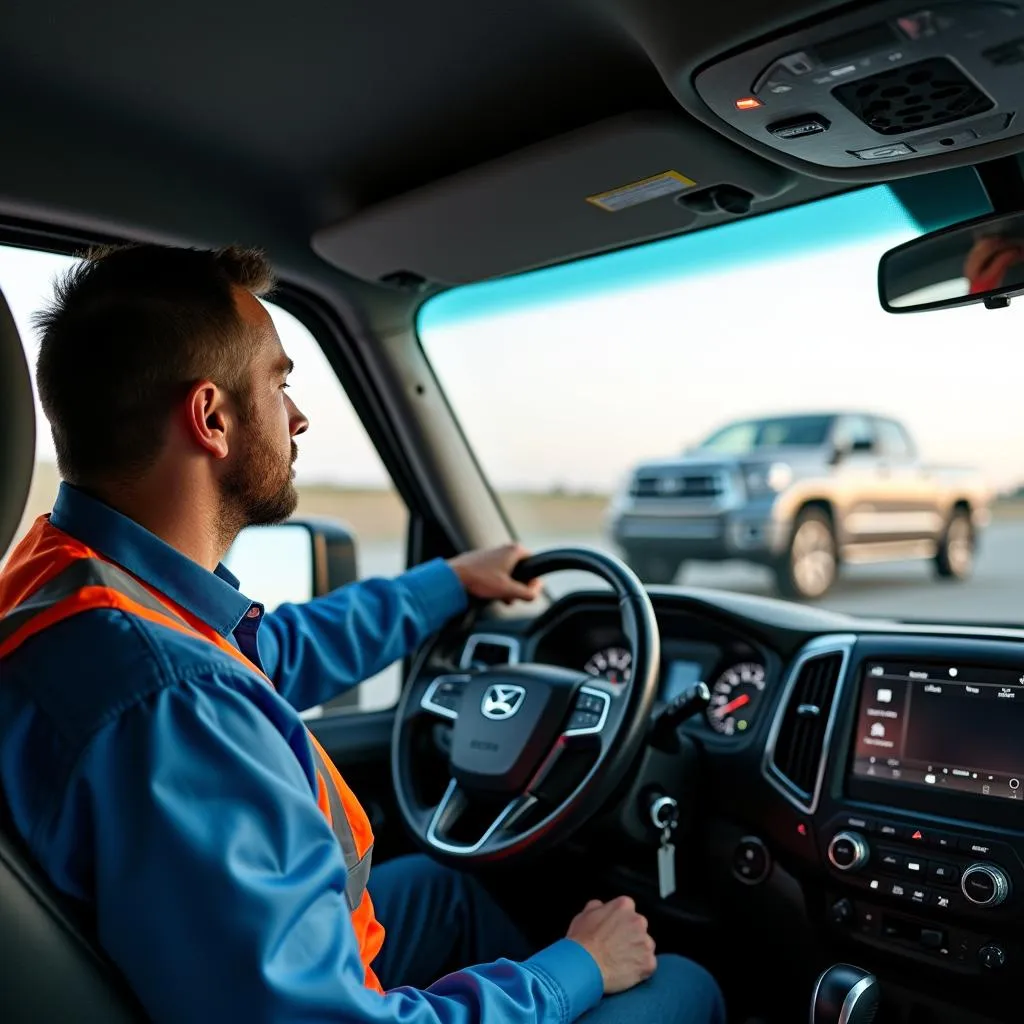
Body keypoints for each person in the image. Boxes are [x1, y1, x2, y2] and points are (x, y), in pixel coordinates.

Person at [0, 244, 725, 1024]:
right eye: (279, 383)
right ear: (211, 418)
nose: (298, 416)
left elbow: (263, 656)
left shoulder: (59, 580)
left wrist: (447, 582)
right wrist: (574, 969)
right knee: (684, 983)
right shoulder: (175, 705)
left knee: (447, 892)